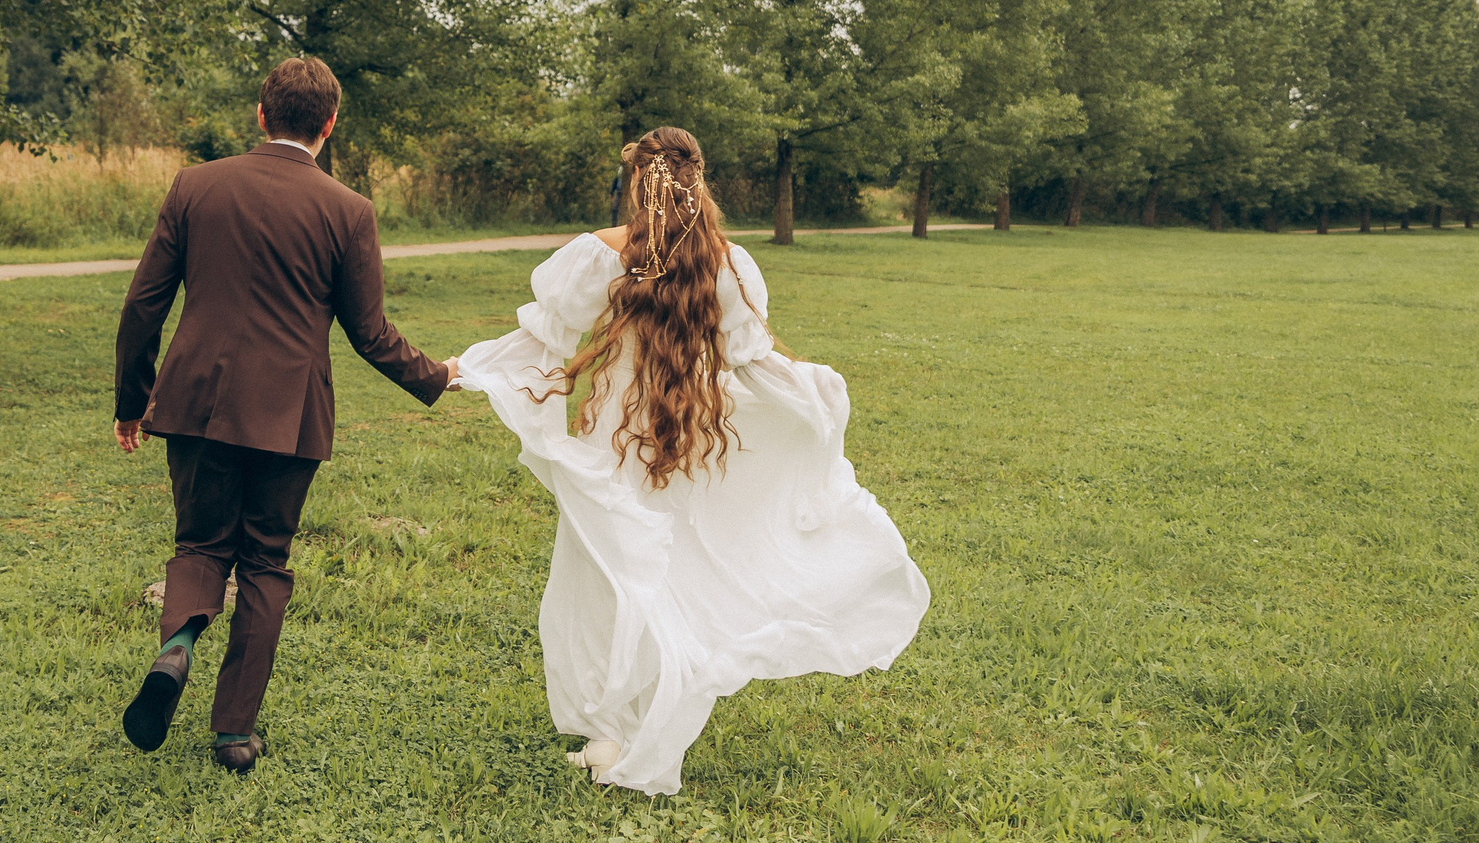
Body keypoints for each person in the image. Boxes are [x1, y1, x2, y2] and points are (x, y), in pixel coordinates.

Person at [455, 126, 928, 795]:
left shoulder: (601, 254)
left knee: (605, 577)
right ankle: (624, 725)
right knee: (656, 570)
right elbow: (751, 360)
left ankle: (616, 728)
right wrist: (813, 391)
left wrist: (468, 368)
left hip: (616, 436)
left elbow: (543, 341)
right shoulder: (725, 262)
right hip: (686, 437)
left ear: (634, 182)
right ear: (698, 180)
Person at [112, 56, 459, 770]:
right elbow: (370, 333)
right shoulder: (349, 210)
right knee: (265, 561)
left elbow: (144, 304)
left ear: (261, 113)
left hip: (196, 402)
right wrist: (437, 375)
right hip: (288, 417)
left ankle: (176, 648)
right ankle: (234, 733)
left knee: (200, 544)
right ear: (329, 126)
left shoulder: (195, 185)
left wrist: (130, 404)